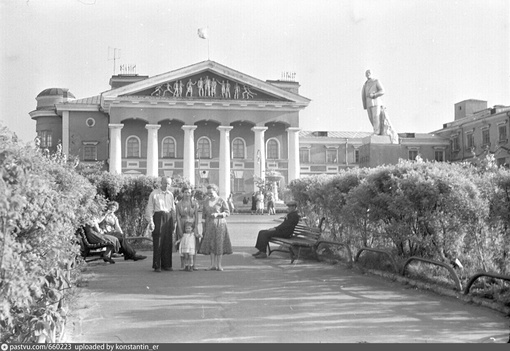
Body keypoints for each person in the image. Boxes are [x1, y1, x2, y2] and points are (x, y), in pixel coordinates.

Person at [145, 176, 176, 272]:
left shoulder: (170, 194)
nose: (166, 185)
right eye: (165, 183)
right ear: (161, 183)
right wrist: (151, 221)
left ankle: (166, 265)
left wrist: (174, 221)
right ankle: (157, 265)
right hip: (158, 216)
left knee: (168, 241)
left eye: (168, 184)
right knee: (158, 241)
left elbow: (173, 208)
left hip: (168, 217)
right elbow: (150, 208)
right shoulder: (154, 194)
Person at [198, 184, 232, 271]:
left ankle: (219, 265)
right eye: (208, 193)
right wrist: (203, 226)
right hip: (209, 225)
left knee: (219, 243)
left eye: (211, 193)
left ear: (216, 191)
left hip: (220, 224)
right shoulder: (206, 202)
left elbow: (227, 212)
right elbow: (203, 215)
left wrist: (218, 214)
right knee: (211, 244)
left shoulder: (221, 200)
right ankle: (212, 264)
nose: (210, 195)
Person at [175, 186, 201, 271]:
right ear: (182, 193)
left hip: (192, 224)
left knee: (193, 245)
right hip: (182, 223)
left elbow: (196, 216)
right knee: (183, 244)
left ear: (191, 193)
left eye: (189, 192)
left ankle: (193, 264)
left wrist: (196, 226)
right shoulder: (179, 204)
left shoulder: (194, 203)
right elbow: (178, 217)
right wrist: (179, 228)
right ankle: (184, 265)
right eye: (185, 192)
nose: (187, 194)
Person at [361, 69, 385, 135]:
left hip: (376, 102)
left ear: (372, 73)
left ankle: (377, 132)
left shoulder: (376, 81)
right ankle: (376, 130)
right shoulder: (365, 84)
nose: (368, 74)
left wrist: (374, 95)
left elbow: (382, 91)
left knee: (376, 117)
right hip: (368, 103)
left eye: (369, 72)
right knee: (371, 118)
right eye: (366, 73)